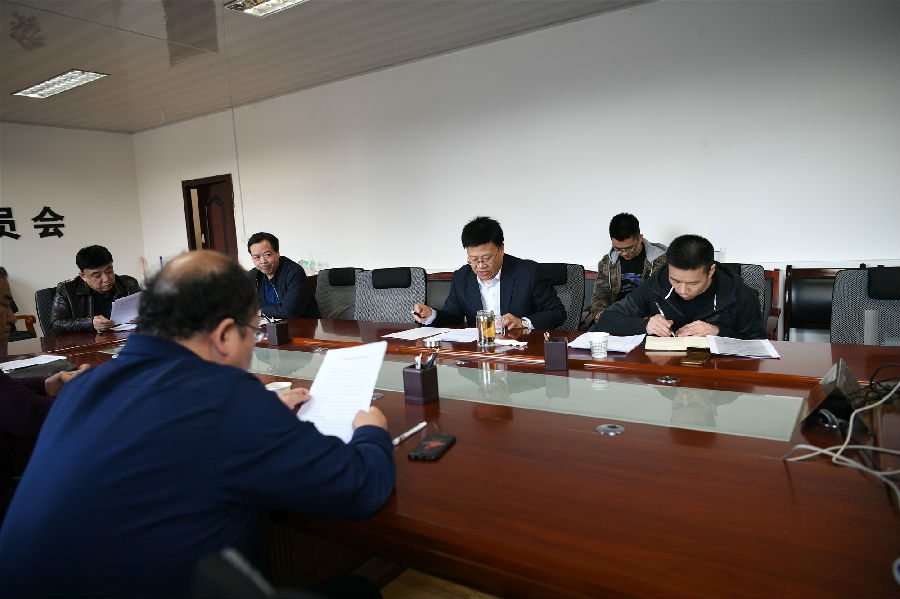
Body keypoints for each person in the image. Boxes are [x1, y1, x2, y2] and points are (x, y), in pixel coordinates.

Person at [0, 250, 395, 597]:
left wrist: (258, 410)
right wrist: (371, 429)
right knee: (359, 591)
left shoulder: (84, 386)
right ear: (224, 336)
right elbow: (360, 486)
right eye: (252, 332)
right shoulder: (226, 399)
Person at [0, 267, 88, 516]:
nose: (12, 318)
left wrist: (46, 384)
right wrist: (90, 394)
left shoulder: (126, 284)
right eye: (4, 305)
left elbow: (6, 390)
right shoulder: (66, 290)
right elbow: (28, 414)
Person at [591, 234, 766, 339]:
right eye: (675, 280)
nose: (682, 290)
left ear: (711, 271)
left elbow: (759, 344)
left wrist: (718, 332)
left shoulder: (740, 295)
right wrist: (644, 325)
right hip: (666, 375)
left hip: (717, 377)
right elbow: (607, 319)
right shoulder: (657, 284)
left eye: (693, 283)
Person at [412, 216, 565, 330]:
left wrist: (523, 323)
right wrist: (431, 315)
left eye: (487, 259)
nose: (480, 266)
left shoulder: (528, 272)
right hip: (480, 353)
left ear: (501, 249)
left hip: (521, 351)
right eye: (474, 260)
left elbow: (557, 313)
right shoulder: (462, 277)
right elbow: (453, 318)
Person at [588, 213, 667, 325]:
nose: (624, 253)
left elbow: (665, 298)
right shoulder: (607, 263)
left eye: (629, 248)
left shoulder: (662, 261)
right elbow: (600, 294)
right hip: (616, 318)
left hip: (648, 320)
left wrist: (650, 318)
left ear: (640, 238)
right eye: (618, 249)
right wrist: (600, 314)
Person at [49, 245, 140, 334]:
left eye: (109, 271)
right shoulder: (67, 290)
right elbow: (55, 325)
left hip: (124, 338)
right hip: (88, 342)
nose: (106, 279)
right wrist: (90, 323)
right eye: (97, 276)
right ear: (83, 276)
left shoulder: (129, 283)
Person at [248, 232, 320, 319]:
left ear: (277, 253)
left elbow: (289, 311)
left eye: (267, 255)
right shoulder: (254, 275)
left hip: (302, 325)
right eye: (257, 257)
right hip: (270, 324)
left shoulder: (294, 272)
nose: (263, 261)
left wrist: (260, 311)